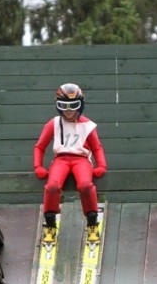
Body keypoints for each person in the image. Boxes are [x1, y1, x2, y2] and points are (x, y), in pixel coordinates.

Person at [33, 83, 107, 243]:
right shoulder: (53, 123)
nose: (68, 110)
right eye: (63, 105)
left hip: (81, 159)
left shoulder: (87, 124)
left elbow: (97, 147)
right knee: (52, 186)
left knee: (86, 185)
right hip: (61, 159)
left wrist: (101, 165)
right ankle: (50, 224)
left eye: (73, 105)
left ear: (80, 105)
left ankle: (92, 223)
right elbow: (40, 146)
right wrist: (38, 166)